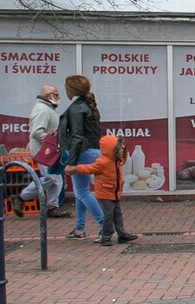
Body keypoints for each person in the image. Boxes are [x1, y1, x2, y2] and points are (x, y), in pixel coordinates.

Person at [69, 132, 138, 245]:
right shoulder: (103, 162)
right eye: (119, 148)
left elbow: (124, 159)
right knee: (108, 216)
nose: (121, 150)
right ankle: (106, 236)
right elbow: (88, 168)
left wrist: (124, 151)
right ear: (112, 150)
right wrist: (75, 169)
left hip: (114, 193)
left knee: (117, 214)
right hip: (105, 194)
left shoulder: (116, 160)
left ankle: (121, 234)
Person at [58, 74, 103, 239]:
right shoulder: (89, 106)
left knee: (82, 191)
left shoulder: (77, 108)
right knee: (80, 192)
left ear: (70, 90)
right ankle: (79, 228)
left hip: (81, 152)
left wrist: (71, 162)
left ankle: (104, 224)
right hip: (91, 150)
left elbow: (77, 136)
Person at [28, 83, 67, 216]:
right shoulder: (43, 110)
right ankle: (23, 197)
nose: (58, 97)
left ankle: (52, 206)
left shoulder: (47, 108)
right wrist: (53, 141)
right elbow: (37, 132)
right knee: (52, 178)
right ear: (48, 95)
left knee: (56, 178)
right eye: (56, 94)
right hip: (44, 150)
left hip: (48, 149)